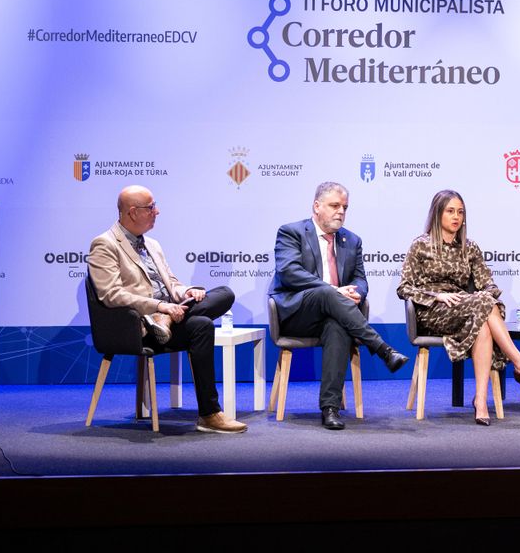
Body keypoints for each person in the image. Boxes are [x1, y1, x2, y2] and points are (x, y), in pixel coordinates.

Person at [87, 185, 246, 434]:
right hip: (139, 326)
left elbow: (170, 283)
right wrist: (160, 306)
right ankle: (210, 413)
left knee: (224, 294)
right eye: (150, 207)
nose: (157, 211)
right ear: (132, 212)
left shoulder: (152, 244)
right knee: (201, 324)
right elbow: (111, 295)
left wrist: (187, 293)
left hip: (170, 315)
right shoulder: (105, 244)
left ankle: (208, 416)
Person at [397, 190, 520, 425]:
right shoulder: (420, 246)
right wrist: (437, 295)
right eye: (450, 211)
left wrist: (484, 294)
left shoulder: (469, 248)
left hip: (464, 308)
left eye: (460, 212)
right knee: (483, 305)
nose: (456, 217)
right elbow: (404, 288)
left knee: (483, 318)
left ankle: (480, 400)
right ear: (437, 213)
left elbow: (488, 284)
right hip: (432, 312)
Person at [269, 181, 409, 430]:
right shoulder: (291, 232)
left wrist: (356, 293)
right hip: (296, 313)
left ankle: (330, 408)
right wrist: (334, 290)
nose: (341, 212)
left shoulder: (351, 240)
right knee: (327, 294)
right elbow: (289, 272)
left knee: (338, 325)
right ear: (317, 206)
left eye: (345, 207)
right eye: (335, 205)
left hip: (333, 314)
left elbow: (360, 279)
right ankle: (382, 348)